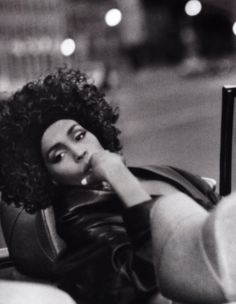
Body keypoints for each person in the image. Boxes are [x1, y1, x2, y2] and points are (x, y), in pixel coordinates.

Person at [0, 68, 220, 304]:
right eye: (58, 156)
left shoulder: (153, 172)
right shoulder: (83, 224)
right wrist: (120, 178)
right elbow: (150, 283)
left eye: (79, 135)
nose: (79, 152)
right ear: (49, 177)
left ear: (95, 131)